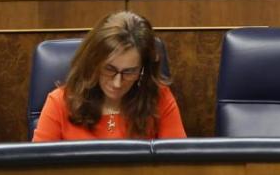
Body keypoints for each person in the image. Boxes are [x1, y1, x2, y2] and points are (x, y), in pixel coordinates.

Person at [32, 12, 185, 141]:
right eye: (109, 69)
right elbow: (37, 172)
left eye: (129, 72)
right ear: (93, 63)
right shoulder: (60, 103)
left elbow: (178, 168)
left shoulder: (159, 99)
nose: (117, 83)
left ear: (143, 69)